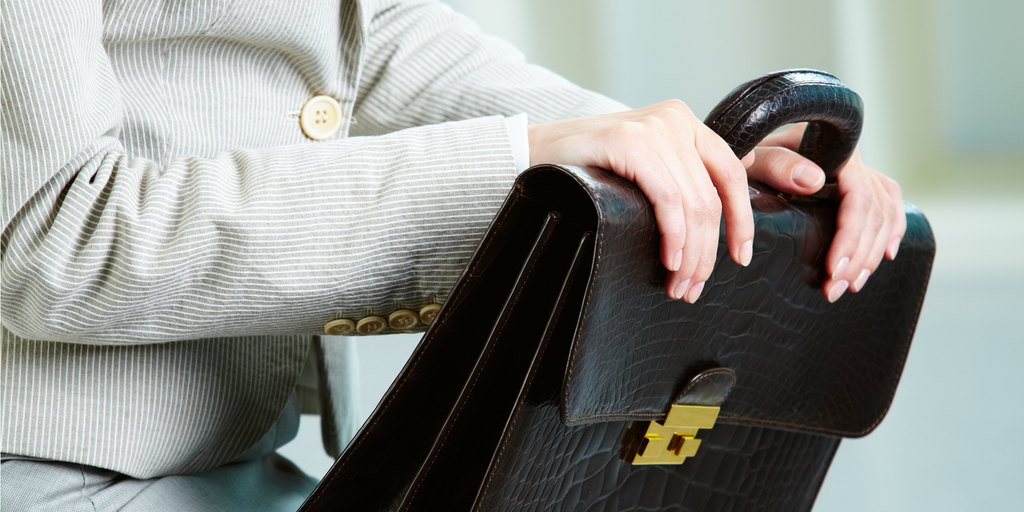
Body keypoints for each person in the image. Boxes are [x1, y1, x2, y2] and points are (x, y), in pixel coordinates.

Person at [0, 0, 904, 509]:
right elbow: (54, 233)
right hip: (52, 469)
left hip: (240, 460)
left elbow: (370, 30)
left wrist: (683, 160)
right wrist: (519, 165)